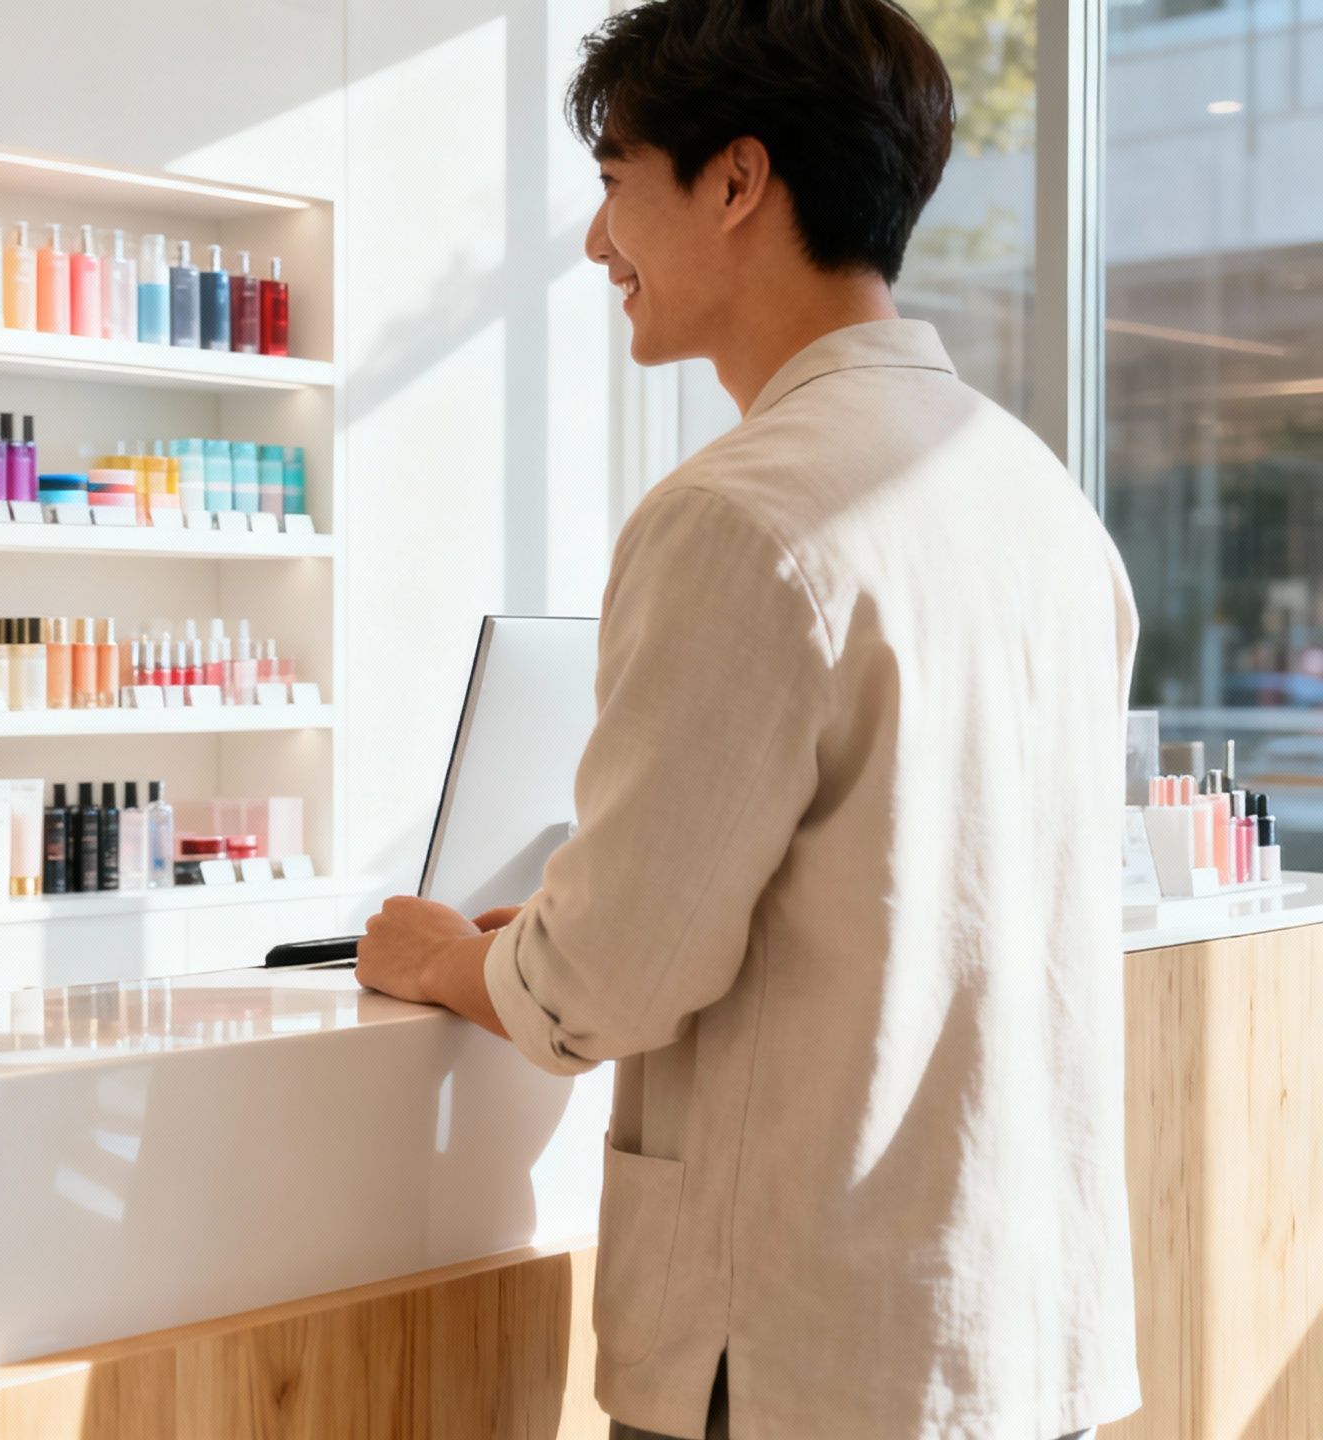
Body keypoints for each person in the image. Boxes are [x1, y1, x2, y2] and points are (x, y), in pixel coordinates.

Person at [354, 2, 1139, 1437]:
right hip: (1022, 1332)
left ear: (734, 181)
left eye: (611, 185)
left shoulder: (739, 515)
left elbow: (605, 982)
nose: (599, 248)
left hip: (801, 1354)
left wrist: (446, 957)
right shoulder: (1042, 501)